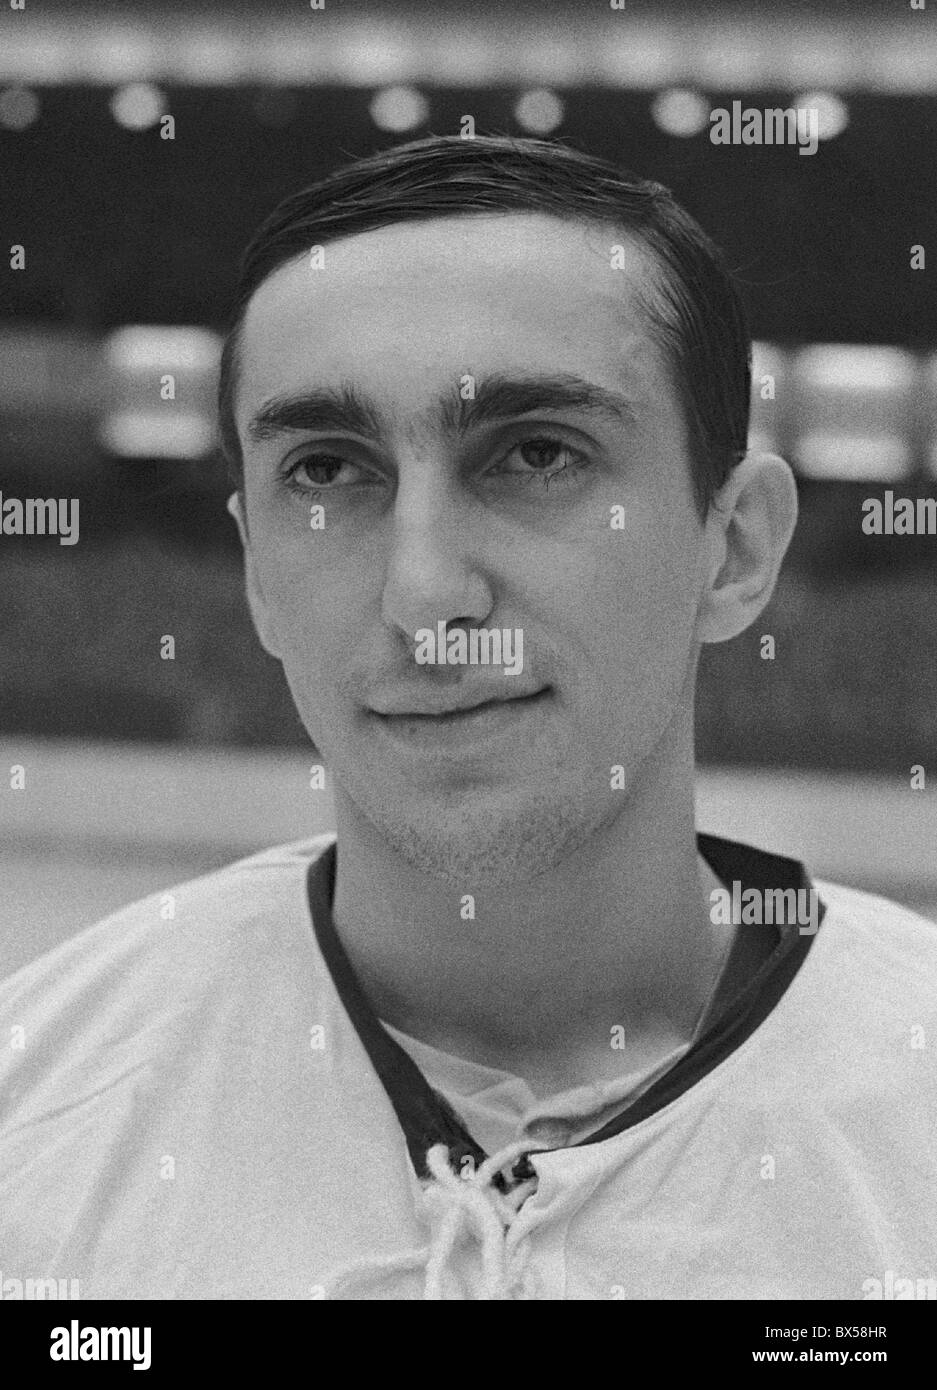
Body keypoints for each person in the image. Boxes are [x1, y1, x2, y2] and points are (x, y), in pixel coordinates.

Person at [1, 136, 935, 1302]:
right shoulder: (33, 1108)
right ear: (253, 573)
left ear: (734, 546)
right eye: (329, 472)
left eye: (537, 453)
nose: (425, 594)